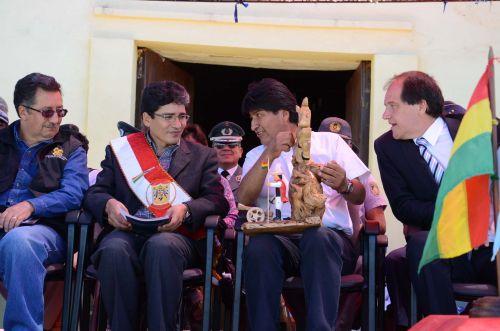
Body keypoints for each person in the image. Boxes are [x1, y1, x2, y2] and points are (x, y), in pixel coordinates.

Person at [84, 80, 229, 331]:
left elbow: (217, 200)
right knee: (113, 250)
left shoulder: (202, 155)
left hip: (176, 235)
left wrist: (186, 209)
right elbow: (96, 192)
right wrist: (109, 204)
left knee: (161, 247)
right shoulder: (122, 152)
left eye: (182, 116)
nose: (178, 124)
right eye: (168, 117)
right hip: (128, 231)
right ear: (147, 119)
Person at [238, 78, 369, 330]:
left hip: (330, 242)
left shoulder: (330, 143)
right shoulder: (257, 155)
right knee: (260, 246)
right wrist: (270, 154)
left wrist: (345, 185)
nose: (254, 125)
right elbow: (243, 199)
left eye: (259, 116)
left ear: (284, 114)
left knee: (317, 236)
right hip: (281, 241)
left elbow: (360, 196)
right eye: (252, 118)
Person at [374, 71, 497, 318]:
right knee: (420, 245)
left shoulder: (472, 127)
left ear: (421, 105)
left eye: (392, 106)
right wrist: (461, 214)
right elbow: (404, 207)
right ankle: (443, 324)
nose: (385, 115)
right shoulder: (387, 147)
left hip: (492, 244)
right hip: (447, 246)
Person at [0, 73, 89, 330]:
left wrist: (30, 205)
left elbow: (74, 193)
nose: (56, 119)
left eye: (60, 111)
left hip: (45, 230)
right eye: (48, 112)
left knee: (19, 243)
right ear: (23, 111)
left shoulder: (71, 147)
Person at [319, 116, 387, 330]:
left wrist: (354, 223)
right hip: (312, 245)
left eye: (343, 142)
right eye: (331, 140)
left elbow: (379, 223)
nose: (337, 147)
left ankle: (341, 325)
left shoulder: (362, 176)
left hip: (349, 248)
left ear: (350, 147)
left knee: (364, 264)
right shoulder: (305, 172)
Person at [208, 121, 245, 198]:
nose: (226, 148)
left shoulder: (248, 177)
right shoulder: (204, 178)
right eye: (219, 145)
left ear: (241, 152)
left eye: (232, 145)